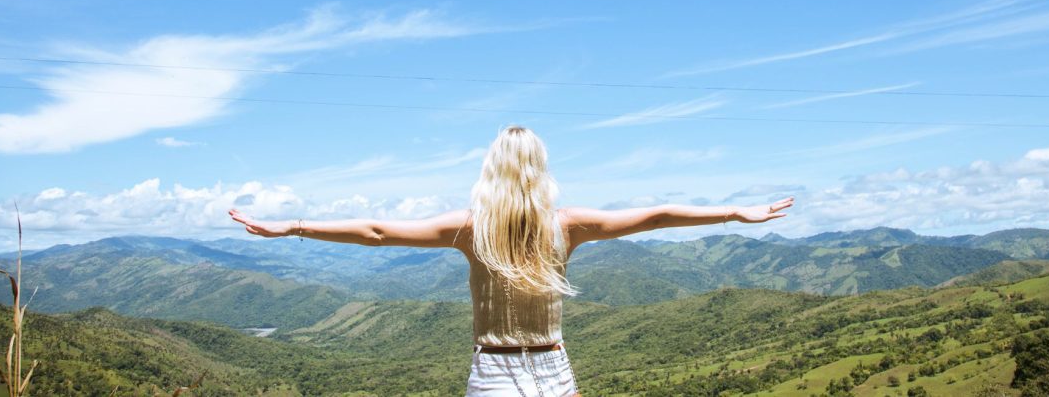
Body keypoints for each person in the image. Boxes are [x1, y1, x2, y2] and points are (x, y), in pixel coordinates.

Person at [228, 125, 794, 396]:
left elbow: (376, 231)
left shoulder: (471, 230)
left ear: (490, 169)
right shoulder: (567, 225)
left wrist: (292, 227)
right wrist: (734, 213)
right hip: (554, 367)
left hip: (494, 369)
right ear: (540, 167)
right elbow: (659, 216)